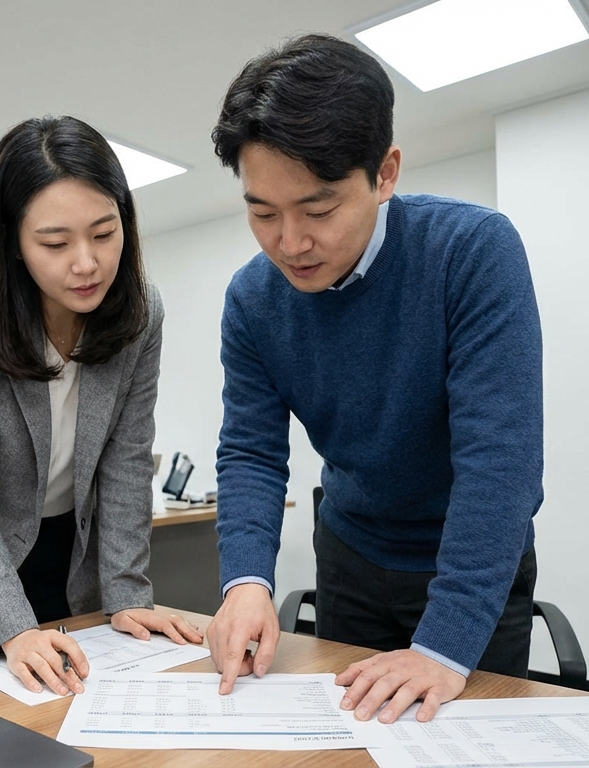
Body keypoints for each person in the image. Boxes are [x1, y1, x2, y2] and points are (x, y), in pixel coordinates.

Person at [204, 34, 544, 725]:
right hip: (351, 554)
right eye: (262, 212)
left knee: (462, 741)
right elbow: (251, 451)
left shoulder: (471, 252)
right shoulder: (252, 300)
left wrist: (445, 647)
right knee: (347, 737)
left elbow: (500, 461)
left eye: (318, 210)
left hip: (469, 565)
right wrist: (246, 580)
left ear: (384, 174)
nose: (289, 243)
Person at [0, 115, 202, 698]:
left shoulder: (140, 314)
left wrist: (128, 594)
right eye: (55, 243)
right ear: (13, 243)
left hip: (70, 551)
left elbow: (126, 460)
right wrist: (12, 625)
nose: (86, 263)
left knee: (66, 707)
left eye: (104, 233)